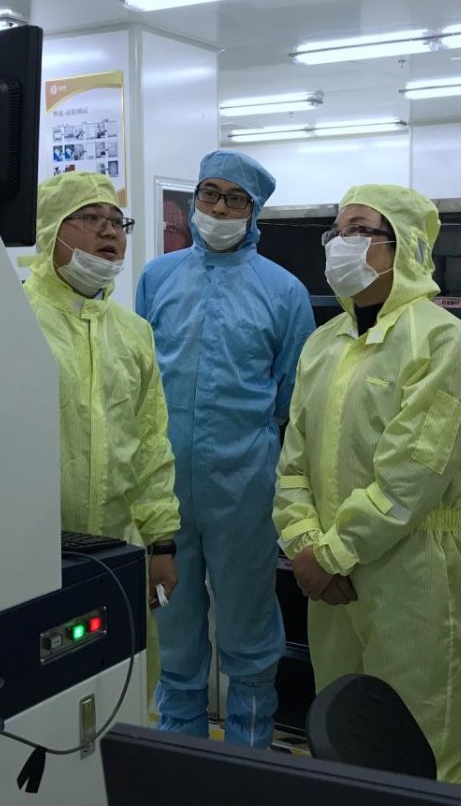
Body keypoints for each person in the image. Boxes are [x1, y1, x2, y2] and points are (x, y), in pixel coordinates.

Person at [274, 184, 461, 785]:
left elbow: (412, 476)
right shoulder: (323, 343)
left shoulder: (441, 342)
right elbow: (293, 464)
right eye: (336, 231)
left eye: (360, 230)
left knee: (425, 746)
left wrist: (330, 554)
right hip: (330, 581)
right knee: (345, 739)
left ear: (405, 246)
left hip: (412, 574)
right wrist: (306, 545)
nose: (340, 243)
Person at [136, 150, 314, 748]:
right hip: (163, 490)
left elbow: (292, 395)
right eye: (209, 193)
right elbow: (142, 381)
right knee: (173, 625)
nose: (218, 208)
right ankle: (181, 752)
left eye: (235, 199)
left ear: (254, 211)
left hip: (244, 488)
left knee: (248, 625)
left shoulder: (284, 292)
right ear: (194, 198)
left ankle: (249, 755)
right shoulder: (156, 278)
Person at [23, 171, 181, 687]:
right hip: (27, 554)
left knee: (120, 683)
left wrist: (161, 544)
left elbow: (151, 443)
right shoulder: (14, 320)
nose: (109, 231)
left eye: (117, 221)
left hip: (118, 549)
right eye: (91, 218)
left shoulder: (133, 333)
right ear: (51, 228)